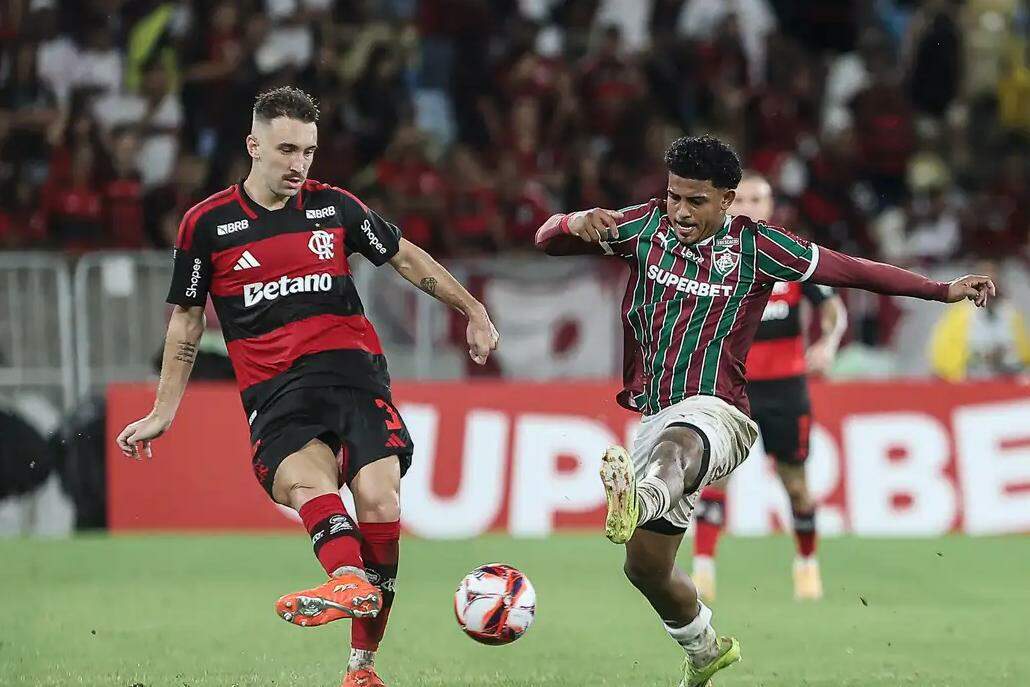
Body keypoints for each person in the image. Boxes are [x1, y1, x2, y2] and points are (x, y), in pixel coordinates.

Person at [534, 135, 994, 687]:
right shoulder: (643, 226)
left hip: (720, 412)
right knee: (645, 568)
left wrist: (941, 290)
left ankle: (647, 494)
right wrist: (575, 220)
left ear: (727, 199)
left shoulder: (758, 246)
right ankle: (705, 648)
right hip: (654, 416)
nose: (680, 211)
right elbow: (547, 241)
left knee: (682, 439)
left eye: (696, 201)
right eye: (674, 196)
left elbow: (850, 270)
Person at [116, 86, 499, 687]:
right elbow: (186, 323)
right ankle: (349, 582)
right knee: (303, 482)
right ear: (253, 145)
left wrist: (472, 307)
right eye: (286, 149)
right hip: (275, 391)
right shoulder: (207, 226)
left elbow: (405, 259)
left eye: (310, 152)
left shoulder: (336, 208)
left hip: (353, 374)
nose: (299, 165)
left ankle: (362, 664)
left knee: (381, 502)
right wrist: (164, 411)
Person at [691, 171, 847, 602]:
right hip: (730, 386)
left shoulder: (792, 256)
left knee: (795, 483)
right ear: (725, 203)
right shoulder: (707, 256)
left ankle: (807, 564)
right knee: (716, 477)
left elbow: (832, 308)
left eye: (756, 199)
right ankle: (703, 572)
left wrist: (828, 342)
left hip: (785, 388)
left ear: (770, 206)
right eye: (739, 199)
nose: (747, 206)